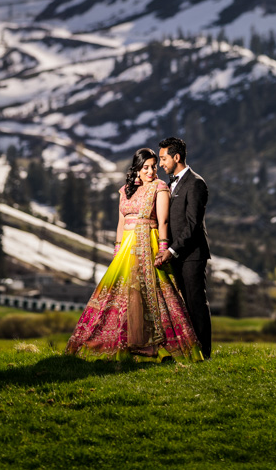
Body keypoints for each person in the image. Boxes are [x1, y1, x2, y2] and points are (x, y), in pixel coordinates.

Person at [63, 149, 201, 361]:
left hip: (149, 242)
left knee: (152, 292)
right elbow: (121, 223)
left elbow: (163, 221)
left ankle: (154, 346)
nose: (151, 171)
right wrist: (117, 249)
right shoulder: (125, 190)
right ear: (136, 168)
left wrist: (163, 247)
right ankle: (125, 343)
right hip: (126, 248)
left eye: (154, 166)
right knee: (122, 294)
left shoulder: (160, 187)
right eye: (145, 167)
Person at [156, 136, 212, 360]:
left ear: (176, 157)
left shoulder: (196, 183)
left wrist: (171, 251)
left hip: (191, 255)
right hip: (177, 255)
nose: (161, 164)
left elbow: (192, 224)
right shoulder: (171, 184)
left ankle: (204, 354)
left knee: (195, 302)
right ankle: (187, 350)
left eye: (163, 158)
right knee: (181, 305)